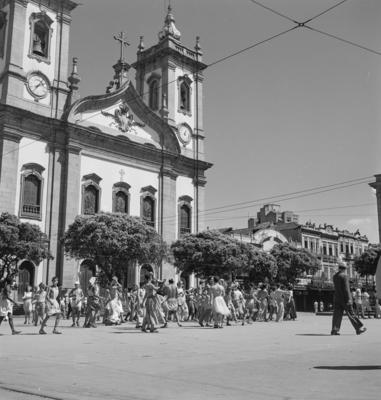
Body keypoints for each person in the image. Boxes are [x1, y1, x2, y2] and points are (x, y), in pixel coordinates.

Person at [331, 263, 366, 336]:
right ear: (344, 269)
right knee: (351, 313)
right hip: (345, 299)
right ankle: (358, 329)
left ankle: (334, 330)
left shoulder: (335, 276)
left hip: (337, 298)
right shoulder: (344, 276)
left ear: (339, 268)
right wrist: (349, 299)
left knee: (337, 315)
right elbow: (346, 289)